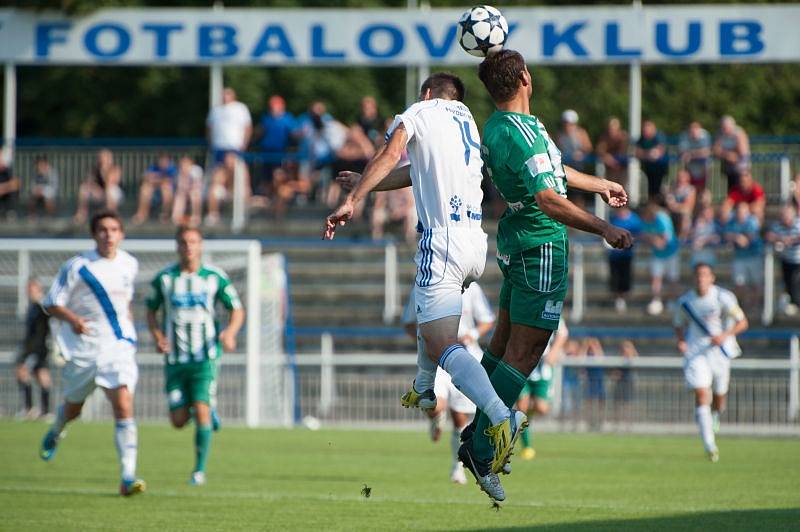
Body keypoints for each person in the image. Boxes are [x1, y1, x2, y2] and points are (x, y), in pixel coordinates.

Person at [324, 72, 516, 501]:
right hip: (473, 243)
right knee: (432, 327)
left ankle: (502, 414)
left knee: (441, 342)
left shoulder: (421, 111)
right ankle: (425, 387)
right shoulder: (466, 119)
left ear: (427, 94)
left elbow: (392, 153)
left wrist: (350, 201)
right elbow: (413, 173)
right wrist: (365, 184)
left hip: (442, 240)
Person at [464, 50, 631, 498]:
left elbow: (553, 173)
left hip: (516, 239)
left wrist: (602, 185)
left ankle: (475, 435)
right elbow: (548, 197)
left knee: (501, 344)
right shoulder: (526, 133)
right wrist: (604, 228)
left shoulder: (502, 127)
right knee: (527, 348)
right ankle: (483, 449)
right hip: (541, 245)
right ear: (525, 78)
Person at [39, 211, 145, 496]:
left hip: (118, 346)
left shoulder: (129, 264)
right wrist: (73, 319)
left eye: (114, 229)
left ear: (121, 234)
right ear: (93, 234)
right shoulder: (78, 266)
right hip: (85, 349)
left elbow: (125, 305)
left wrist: (130, 331)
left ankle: (127, 476)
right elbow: (50, 303)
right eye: (102, 229)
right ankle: (58, 428)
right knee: (74, 408)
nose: (108, 235)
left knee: (123, 402)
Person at [146, 226, 245, 486]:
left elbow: (236, 309)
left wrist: (230, 333)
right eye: (183, 242)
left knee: (200, 409)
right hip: (176, 360)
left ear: (200, 246)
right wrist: (158, 337)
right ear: (177, 246)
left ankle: (198, 471)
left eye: (193, 242)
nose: (188, 246)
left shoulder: (214, 277)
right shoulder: (164, 279)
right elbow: (150, 310)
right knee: (178, 421)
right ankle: (206, 411)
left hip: (205, 357)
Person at [402, 282, 495, 485]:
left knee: (460, 419)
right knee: (435, 405)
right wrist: (424, 341)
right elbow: (409, 322)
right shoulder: (423, 285)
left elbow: (487, 319)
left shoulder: (472, 288)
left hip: (465, 358)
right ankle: (436, 418)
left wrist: (473, 334)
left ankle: (457, 467)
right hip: (436, 360)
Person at [675, 263, 748, 462]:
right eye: (698, 275)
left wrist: (725, 335)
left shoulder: (723, 298)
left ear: (712, 278)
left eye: (705, 275)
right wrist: (681, 341)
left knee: (719, 397)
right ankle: (710, 444)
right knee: (701, 393)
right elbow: (678, 323)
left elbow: (742, 322)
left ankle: (715, 415)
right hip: (696, 352)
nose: (701, 279)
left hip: (720, 353)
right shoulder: (685, 301)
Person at [515, 318, 568, 460]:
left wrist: (554, 351)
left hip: (542, 367)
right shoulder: (524, 306)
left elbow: (562, 332)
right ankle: (527, 447)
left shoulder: (549, 307)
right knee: (522, 407)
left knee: (542, 408)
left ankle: (527, 416)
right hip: (522, 365)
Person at [205, 88, 252, 225]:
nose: (225, 97)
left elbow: (247, 127)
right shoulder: (216, 110)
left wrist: (243, 146)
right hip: (219, 149)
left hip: (235, 148)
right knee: (216, 181)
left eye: (228, 94)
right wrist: (212, 145)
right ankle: (213, 213)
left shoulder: (240, 108)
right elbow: (209, 128)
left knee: (242, 180)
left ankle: (242, 213)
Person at [15, 278, 52, 419]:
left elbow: (50, 317)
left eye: (32, 289)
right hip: (29, 347)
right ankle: (37, 410)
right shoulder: (31, 306)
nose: (29, 291)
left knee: (26, 372)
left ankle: (36, 409)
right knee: (38, 375)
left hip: (38, 348)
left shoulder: (42, 305)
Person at [641, 201, 681, 316]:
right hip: (657, 254)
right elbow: (644, 236)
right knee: (655, 278)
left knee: (673, 279)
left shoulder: (662, 219)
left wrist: (653, 239)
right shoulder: (645, 220)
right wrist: (653, 239)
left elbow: (664, 241)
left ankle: (672, 301)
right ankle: (656, 301)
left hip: (671, 253)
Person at [723, 201, 763, 311]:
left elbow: (749, 238)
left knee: (756, 283)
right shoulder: (732, 222)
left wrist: (740, 238)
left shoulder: (752, 221)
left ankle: (755, 305)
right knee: (739, 283)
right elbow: (726, 234)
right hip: (739, 257)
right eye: (739, 211)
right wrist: (737, 237)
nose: (740, 213)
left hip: (754, 256)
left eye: (743, 211)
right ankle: (745, 303)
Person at [255, 95, 295, 198]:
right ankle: (268, 198)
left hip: (280, 153)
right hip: (266, 153)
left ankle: (277, 198)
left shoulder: (287, 118)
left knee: (278, 176)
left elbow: (294, 134)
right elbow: (259, 133)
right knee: (266, 178)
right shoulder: (266, 118)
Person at [766, 205, 800, 316]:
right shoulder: (777, 225)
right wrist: (781, 239)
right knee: (789, 285)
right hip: (786, 260)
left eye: (787, 216)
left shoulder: (798, 223)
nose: (785, 219)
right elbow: (769, 236)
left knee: (795, 285)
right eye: (783, 216)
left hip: (798, 261)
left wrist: (792, 240)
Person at [608, 205, 643, 313]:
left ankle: (623, 297)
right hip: (614, 255)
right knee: (614, 277)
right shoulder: (613, 218)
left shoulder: (634, 219)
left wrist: (627, 243)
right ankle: (617, 298)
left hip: (627, 255)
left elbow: (639, 234)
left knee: (625, 276)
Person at [73, 149, 123, 224]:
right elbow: (90, 182)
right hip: (100, 192)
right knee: (84, 188)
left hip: (114, 193)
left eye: (105, 157)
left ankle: (111, 215)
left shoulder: (115, 168)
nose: (103, 159)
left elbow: (110, 183)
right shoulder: (95, 169)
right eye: (101, 157)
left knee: (110, 190)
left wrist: (104, 172)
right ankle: (81, 214)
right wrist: (96, 188)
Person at [555, 109, 593, 206]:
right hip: (565, 167)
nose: (568, 126)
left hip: (578, 168)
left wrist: (580, 154)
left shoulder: (580, 133)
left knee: (578, 196)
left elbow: (588, 148)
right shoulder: (560, 134)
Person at [132, 153, 177, 224]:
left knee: (166, 189)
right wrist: (159, 179)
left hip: (171, 193)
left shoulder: (172, 168)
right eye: (161, 161)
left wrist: (155, 178)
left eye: (165, 161)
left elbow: (168, 181)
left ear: (169, 162)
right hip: (154, 192)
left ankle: (165, 215)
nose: (163, 163)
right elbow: (145, 177)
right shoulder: (154, 167)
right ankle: (142, 214)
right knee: (145, 188)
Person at [635, 119, 669, 202]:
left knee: (660, 191)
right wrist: (648, 154)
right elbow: (637, 153)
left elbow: (658, 152)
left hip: (661, 169)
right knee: (650, 192)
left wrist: (645, 154)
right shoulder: (642, 138)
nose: (645, 131)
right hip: (648, 169)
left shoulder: (659, 137)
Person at [713, 115, 750, 191]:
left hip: (741, 167)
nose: (724, 130)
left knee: (740, 187)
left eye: (726, 128)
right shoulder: (720, 134)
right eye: (723, 128)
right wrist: (727, 154)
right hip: (728, 166)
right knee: (731, 188)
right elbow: (716, 150)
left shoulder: (739, 133)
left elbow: (742, 153)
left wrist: (724, 153)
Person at [595, 116, 629, 187]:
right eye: (610, 127)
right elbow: (600, 149)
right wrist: (606, 156)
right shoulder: (605, 137)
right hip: (609, 166)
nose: (612, 130)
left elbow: (625, 152)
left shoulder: (623, 137)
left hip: (623, 166)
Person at [611, 340, 638, 428]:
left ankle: (628, 424)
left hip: (629, 382)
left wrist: (631, 350)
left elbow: (636, 359)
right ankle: (616, 424)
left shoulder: (633, 358)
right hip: (620, 383)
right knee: (617, 404)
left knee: (628, 405)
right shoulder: (619, 359)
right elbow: (615, 373)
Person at [678, 121, 712, 191]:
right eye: (691, 130)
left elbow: (706, 153)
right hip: (689, 165)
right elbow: (683, 154)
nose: (693, 132)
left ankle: (704, 190)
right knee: (683, 167)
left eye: (696, 130)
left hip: (703, 165)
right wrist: (697, 153)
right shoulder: (684, 136)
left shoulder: (705, 135)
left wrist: (691, 154)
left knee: (707, 165)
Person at [171, 156, 204, 226]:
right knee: (179, 196)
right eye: (183, 163)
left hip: (197, 191)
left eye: (186, 163)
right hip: (184, 192)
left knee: (194, 195)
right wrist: (184, 175)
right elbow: (180, 187)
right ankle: (177, 217)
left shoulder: (197, 170)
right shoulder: (179, 171)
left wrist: (187, 173)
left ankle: (196, 217)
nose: (184, 165)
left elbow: (196, 185)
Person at [581, 337, 606, 430]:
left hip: (599, 381)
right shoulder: (587, 355)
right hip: (590, 382)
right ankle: (590, 423)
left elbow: (601, 358)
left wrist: (596, 345)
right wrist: (585, 346)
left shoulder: (598, 354)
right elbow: (581, 359)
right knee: (589, 404)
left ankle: (599, 423)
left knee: (600, 403)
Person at [664, 169, 697, 240]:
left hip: (684, 212)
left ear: (687, 179)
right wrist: (677, 206)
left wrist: (676, 206)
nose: (679, 179)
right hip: (672, 212)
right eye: (678, 177)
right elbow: (669, 204)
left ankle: (682, 239)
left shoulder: (691, 189)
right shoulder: (670, 189)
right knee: (664, 214)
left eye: (682, 177)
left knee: (685, 216)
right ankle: (667, 238)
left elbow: (688, 205)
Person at [0, 154, 20, 219]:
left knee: (14, 190)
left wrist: (3, 188)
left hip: (4, 192)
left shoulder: (7, 170)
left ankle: (10, 211)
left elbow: (16, 183)